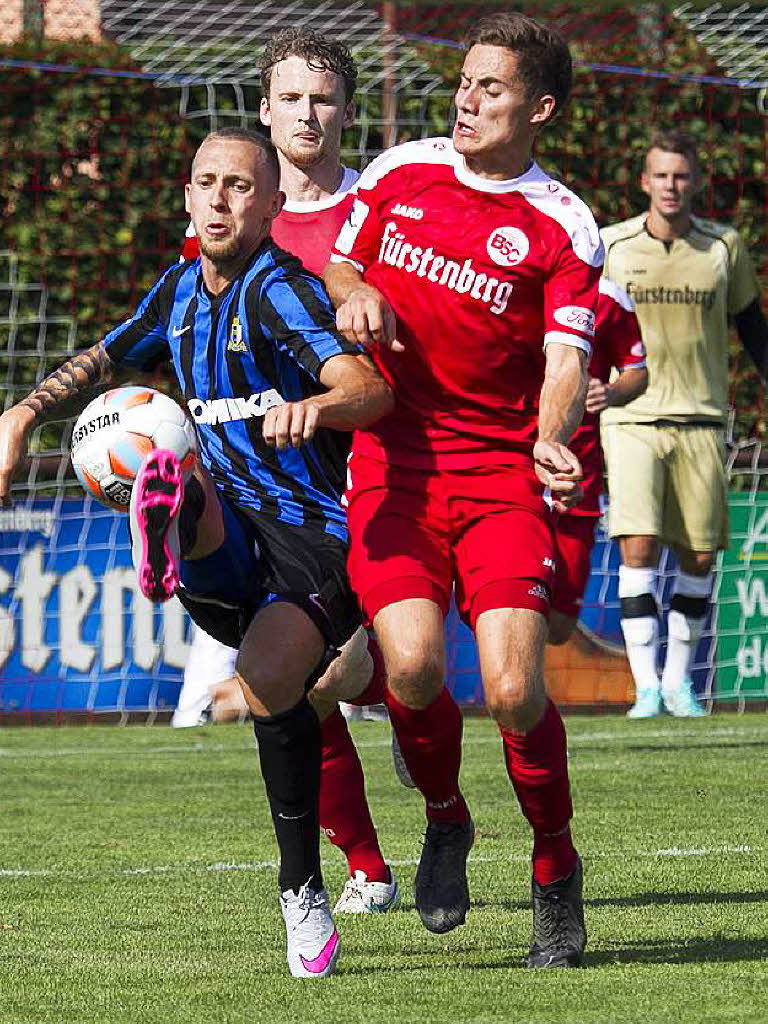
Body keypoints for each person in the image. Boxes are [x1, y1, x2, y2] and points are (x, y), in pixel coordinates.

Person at [0, 128, 395, 980]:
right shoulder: (177, 291)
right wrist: (21, 416)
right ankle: (170, 501)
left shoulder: (282, 291)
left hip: (310, 534)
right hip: (223, 543)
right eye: (207, 183)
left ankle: (301, 890)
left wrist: (321, 408)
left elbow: (371, 387)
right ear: (187, 197)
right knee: (172, 458)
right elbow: (103, 356)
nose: (221, 198)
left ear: (273, 205)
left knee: (272, 683)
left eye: (241, 186)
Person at [324, 12, 603, 968]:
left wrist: (551, 437)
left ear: (541, 108)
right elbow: (341, 257)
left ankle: (555, 868)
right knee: (406, 671)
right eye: (465, 80)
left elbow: (568, 354)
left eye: (491, 86)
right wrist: (350, 287)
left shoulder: (562, 224)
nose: (467, 98)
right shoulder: (401, 169)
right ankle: (447, 817)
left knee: (516, 688)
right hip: (394, 462)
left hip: (496, 473)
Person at [180, 28, 398, 913]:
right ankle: (366, 866)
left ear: (346, 112)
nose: (308, 113)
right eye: (291, 98)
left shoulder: (382, 206)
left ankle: (441, 809)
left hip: (382, 459)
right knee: (301, 684)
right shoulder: (229, 219)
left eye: (324, 98)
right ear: (265, 112)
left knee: (386, 678)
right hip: (285, 489)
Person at [600, 129, 768, 718]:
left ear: (695, 181)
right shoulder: (612, 246)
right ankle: (645, 688)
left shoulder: (724, 246)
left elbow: (752, 329)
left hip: (701, 418)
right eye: (661, 176)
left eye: (681, 175)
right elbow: (584, 327)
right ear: (645, 182)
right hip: (631, 417)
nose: (671, 186)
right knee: (638, 546)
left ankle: (679, 683)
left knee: (698, 556)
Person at [548, 278, 648, 645]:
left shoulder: (607, 297)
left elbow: (637, 371)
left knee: (559, 626)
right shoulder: (506, 274)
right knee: (505, 600)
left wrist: (610, 391)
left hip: (578, 477)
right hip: (510, 469)